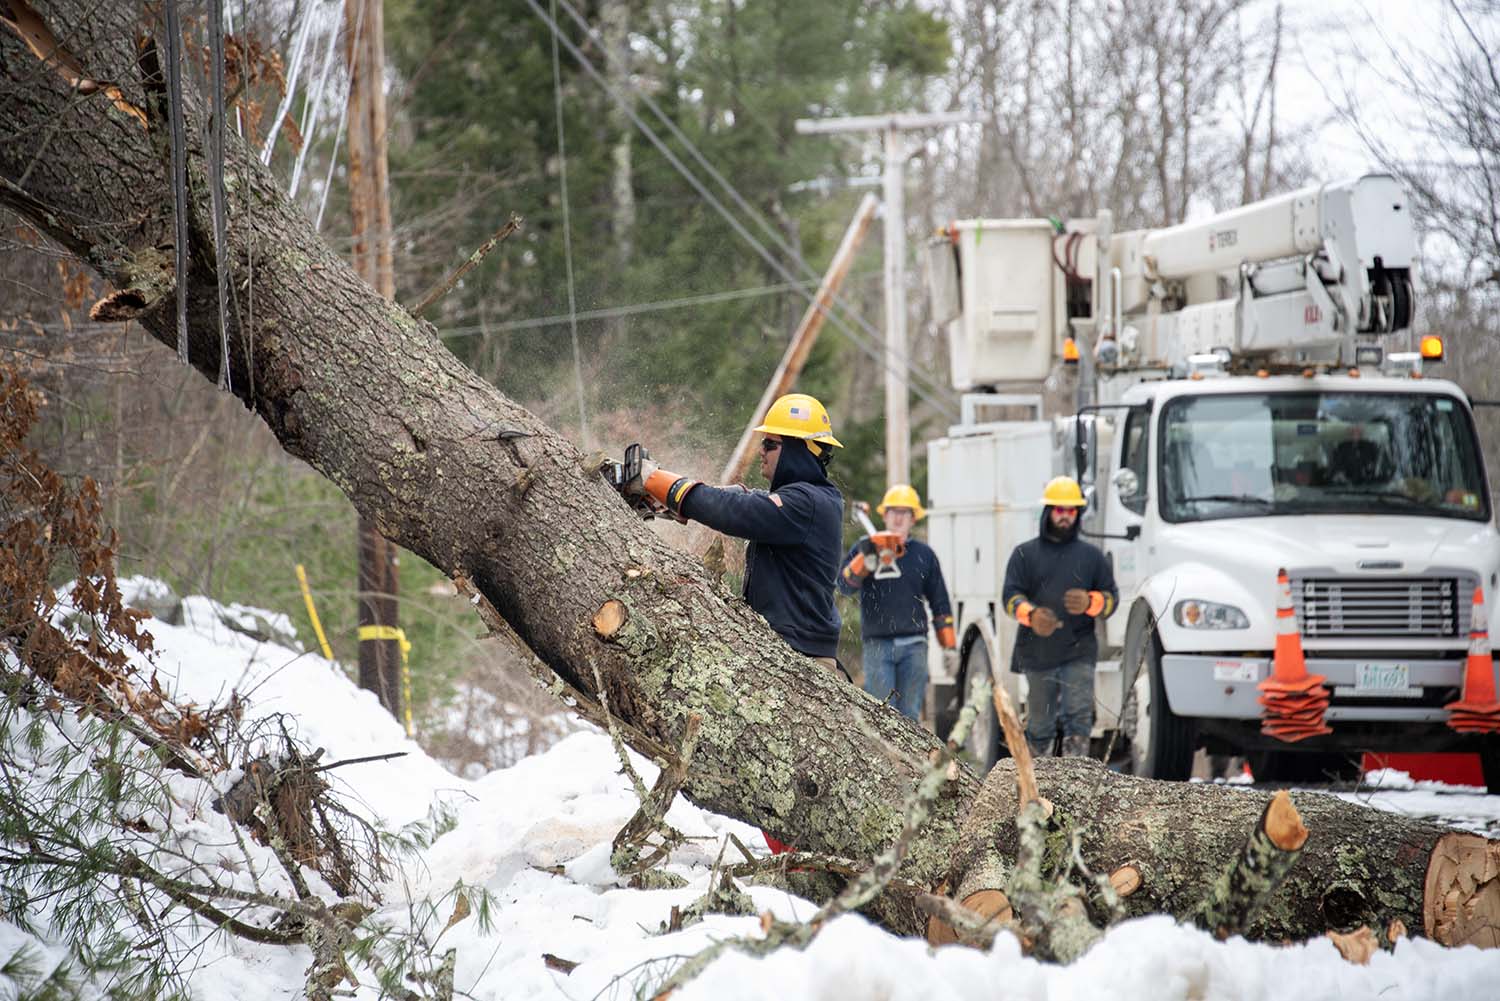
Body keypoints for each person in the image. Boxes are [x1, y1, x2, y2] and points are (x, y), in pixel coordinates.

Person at [625, 393, 844, 669]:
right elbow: (742, 499)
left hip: (802, 658)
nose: (761, 450)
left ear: (797, 450)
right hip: (789, 650)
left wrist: (651, 477)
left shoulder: (806, 503)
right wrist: (665, 500)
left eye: (770, 444)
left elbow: (734, 510)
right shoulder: (811, 500)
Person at [1002, 476, 1118, 758]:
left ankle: (1075, 780)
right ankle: (1037, 780)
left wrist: (1092, 602)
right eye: (1059, 510)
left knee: (1078, 719)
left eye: (1071, 511)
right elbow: (1009, 597)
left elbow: (1111, 599)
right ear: (1048, 512)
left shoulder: (1092, 557)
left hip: (1079, 650)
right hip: (1037, 653)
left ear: (1077, 514)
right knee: (1041, 724)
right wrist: (1031, 615)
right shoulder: (1024, 555)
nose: (1065, 516)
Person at [837, 484, 956, 721]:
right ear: (884, 515)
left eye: (906, 512)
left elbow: (939, 602)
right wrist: (865, 560)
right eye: (894, 511)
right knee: (881, 714)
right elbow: (844, 585)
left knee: (909, 715)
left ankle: (910, 760)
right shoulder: (866, 547)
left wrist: (949, 646)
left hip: (915, 645)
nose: (899, 517)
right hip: (877, 646)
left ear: (914, 518)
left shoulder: (924, 555)